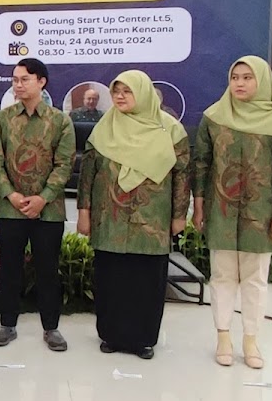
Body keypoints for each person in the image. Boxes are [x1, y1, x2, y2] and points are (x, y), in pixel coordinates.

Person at [192, 55, 272, 369]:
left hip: (261, 212)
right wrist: (198, 205)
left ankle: (251, 340)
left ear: (262, 81)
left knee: (255, 279)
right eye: (235, 77)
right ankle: (223, 336)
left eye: (247, 77)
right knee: (222, 275)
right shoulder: (215, 116)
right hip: (221, 209)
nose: (239, 83)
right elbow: (202, 164)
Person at [77, 70, 189, 360]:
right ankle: (110, 335)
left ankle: (143, 339)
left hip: (152, 218)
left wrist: (179, 215)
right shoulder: (104, 127)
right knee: (111, 278)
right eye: (116, 91)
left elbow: (181, 175)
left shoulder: (170, 130)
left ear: (143, 93)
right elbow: (88, 174)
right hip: (109, 217)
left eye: (127, 91)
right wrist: (84, 211)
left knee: (146, 280)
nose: (120, 96)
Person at [0, 58, 76, 351]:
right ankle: (7, 324)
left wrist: (43, 198)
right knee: (9, 269)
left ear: (41, 82)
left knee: (47, 270)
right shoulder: (0, 120)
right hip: (9, 208)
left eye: (25, 79)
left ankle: (51, 328)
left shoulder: (60, 121)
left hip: (48, 211)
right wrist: (10, 194)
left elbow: (64, 165)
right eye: (15, 80)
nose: (18, 85)